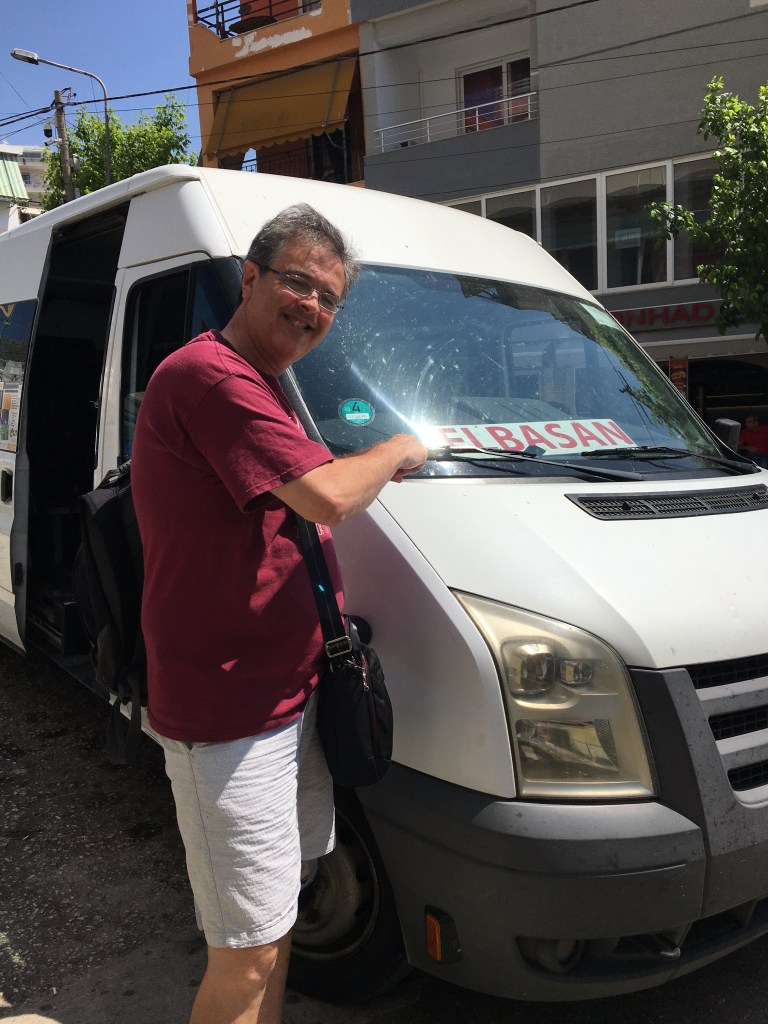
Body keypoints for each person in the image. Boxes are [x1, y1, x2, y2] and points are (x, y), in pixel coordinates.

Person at [131, 204, 427, 1024]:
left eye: (330, 298)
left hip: (284, 700)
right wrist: (399, 448)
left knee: (276, 919)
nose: (313, 306)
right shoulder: (213, 376)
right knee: (247, 950)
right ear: (251, 278)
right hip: (228, 714)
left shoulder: (264, 384)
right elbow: (327, 495)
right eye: (299, 282)